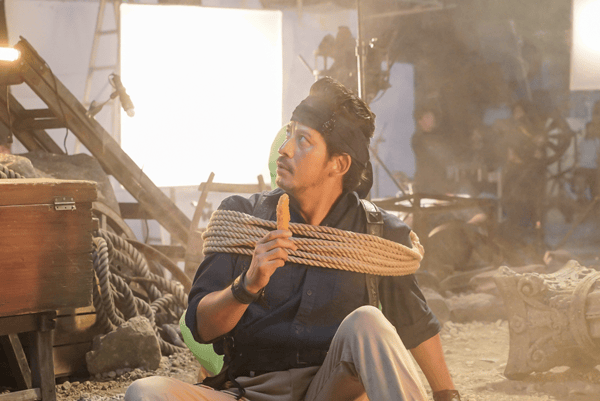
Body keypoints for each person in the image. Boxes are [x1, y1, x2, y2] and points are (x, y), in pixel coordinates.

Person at [125, 77, 459, 401]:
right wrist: (248, 285)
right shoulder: (243, 218)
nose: (284, 150)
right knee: (145, 393)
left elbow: (415, 325)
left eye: (303, 140)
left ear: (338, 164)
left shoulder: (379, 234)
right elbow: (201, 328)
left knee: (368, 321)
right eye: (288, 134)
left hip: (333, 390)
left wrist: (447, 394)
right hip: (249, 391)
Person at [410, 104, 458, 195]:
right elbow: (428, 169)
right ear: (420, 121)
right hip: (427, 191)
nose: (432, 119)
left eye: (432, 116)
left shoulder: (440, 137)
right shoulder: (418, 140)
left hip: (442, 189)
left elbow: (447, 163)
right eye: (428, 117)